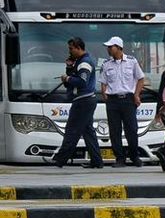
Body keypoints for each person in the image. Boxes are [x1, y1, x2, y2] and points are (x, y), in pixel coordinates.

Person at [51, 37, 104, 169]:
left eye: (71, 48)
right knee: (88, 132)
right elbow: (72, 80)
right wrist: (69, 68)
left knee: (72, 130)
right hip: (87, 100)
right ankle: (97, 161)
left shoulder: (84, 63)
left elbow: (81, 81)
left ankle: (60, 159)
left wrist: (67, 77)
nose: (69, 51)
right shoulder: (79, 62)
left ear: (78, 48)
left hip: (83, 101)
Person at [99, 36, 146, 167]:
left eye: (110, 47)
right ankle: (120, 159)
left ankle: (134, 157)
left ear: (119, 47)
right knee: (114, 131)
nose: (108, 49)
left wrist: (136, 95)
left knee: (131, 129)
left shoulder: (132, 61)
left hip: (128, 100)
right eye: (108, 47)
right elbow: (103, 82)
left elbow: (141, 78)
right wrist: (104, 94)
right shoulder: (106, 64)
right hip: (112, 101)